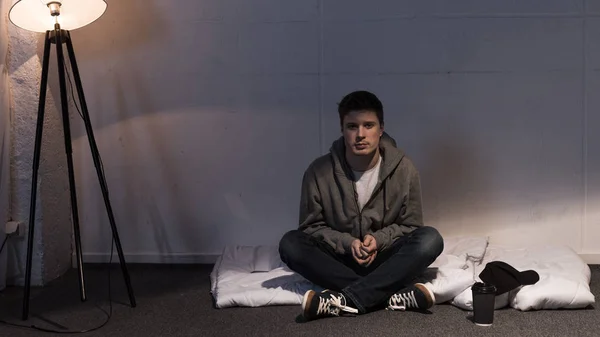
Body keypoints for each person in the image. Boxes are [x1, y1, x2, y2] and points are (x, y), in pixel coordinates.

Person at [278, 90, 444, 321]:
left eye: (368, 125)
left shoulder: (404, 169)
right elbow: (310, 228)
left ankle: (345, 300)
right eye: (352, 126)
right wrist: (348, 243)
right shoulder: (318, 171)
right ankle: (385, 295)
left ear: (381, 128)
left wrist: (378, 240)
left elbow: (412, 226)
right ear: (342, 129)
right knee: (290, 244)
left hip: (385, 257)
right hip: (339, 259)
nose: (360, 134)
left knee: (430, 239)